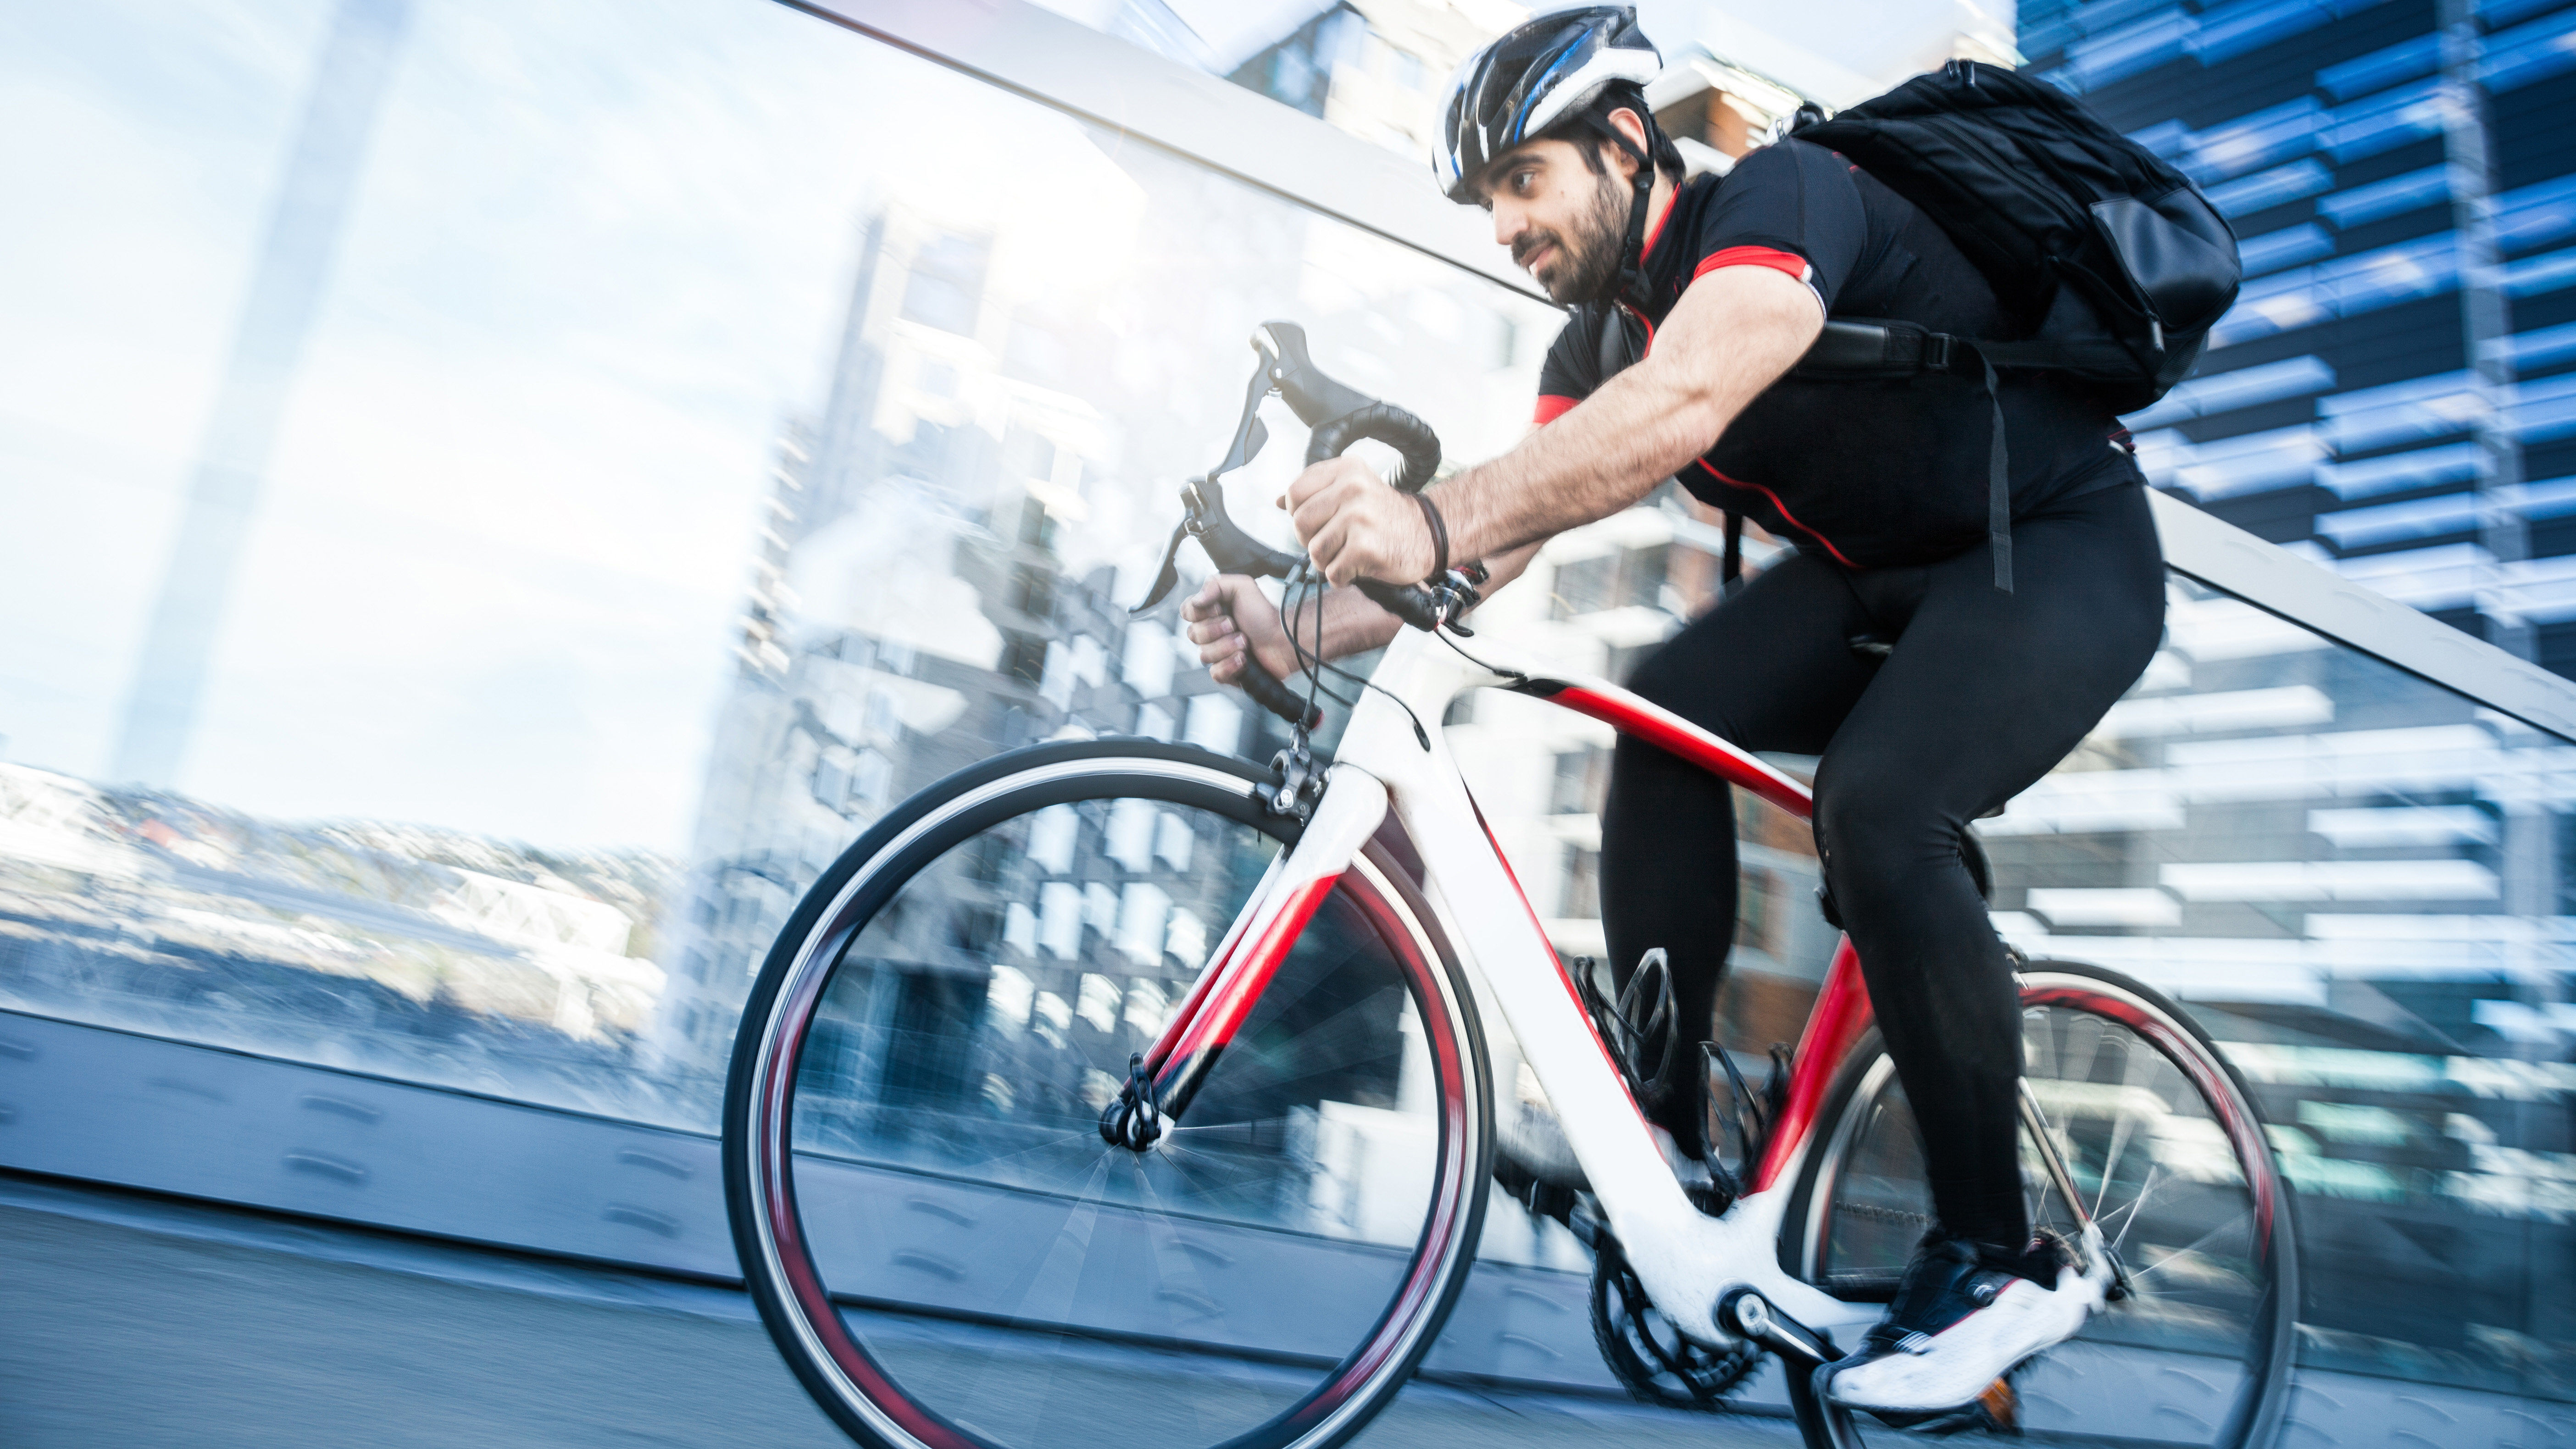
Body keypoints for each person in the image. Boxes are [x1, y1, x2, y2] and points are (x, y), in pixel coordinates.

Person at [1181, 4, 2163, 1421]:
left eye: (1526, 179)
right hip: (1882, 581)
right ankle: (1670, 1143)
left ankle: (1997, 1259)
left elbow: (1692, 395)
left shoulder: (1782, 198)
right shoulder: (1592, 341)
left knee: (1881, 806)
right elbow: (1491, 548)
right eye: (1487, 200)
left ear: (1628, 141)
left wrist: (1427, 514)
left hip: (2058, 548)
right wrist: (1298, 623)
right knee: (1658, 717)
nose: (1506, 225)